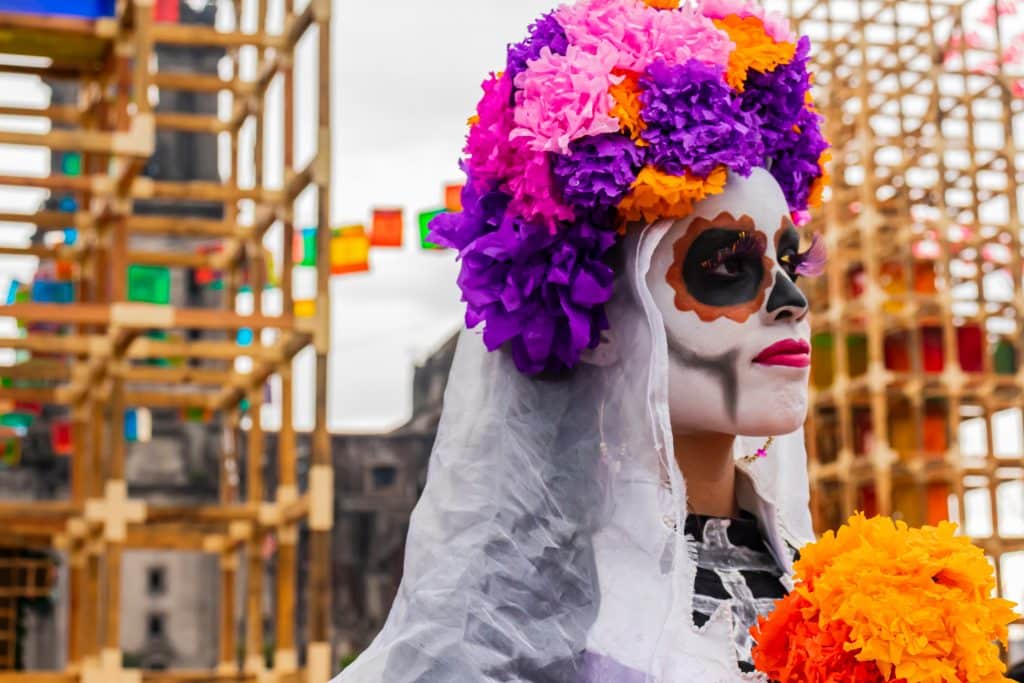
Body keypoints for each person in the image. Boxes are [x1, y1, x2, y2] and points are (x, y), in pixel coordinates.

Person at [333, 0, 828, 680]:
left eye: (791, 262)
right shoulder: (520, 616)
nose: (791, 303)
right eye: (724, 266)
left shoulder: (835, 591)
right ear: (601, 317)